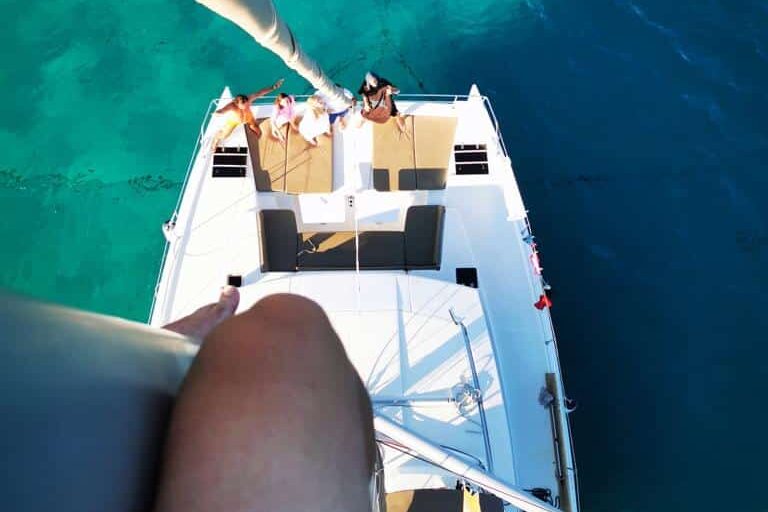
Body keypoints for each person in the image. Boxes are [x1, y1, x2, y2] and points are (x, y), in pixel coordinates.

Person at [210, 78, 284, 151]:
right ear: (237, 104)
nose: (246, 106)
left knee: (257, 129)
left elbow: (260, 93)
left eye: (247, 104)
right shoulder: (232, 106)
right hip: (234, 121)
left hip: (248, 118)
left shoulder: (249, 99)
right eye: (244, 106)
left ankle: (259, 139)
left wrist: (274, 87)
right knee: (224, 135)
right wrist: (217, 113)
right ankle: (215, 139)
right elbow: (222, 110)